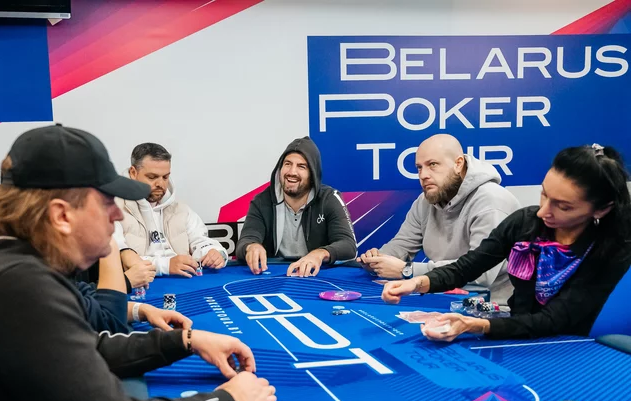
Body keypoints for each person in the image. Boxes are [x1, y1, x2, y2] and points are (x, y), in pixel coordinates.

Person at [0, 125, 276, 401]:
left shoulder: (8, 257)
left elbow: (83, 348)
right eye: (107, 202)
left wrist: (184, 341)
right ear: (61, 215)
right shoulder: (17, 285)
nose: (118, 214)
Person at [382, 144, 631, 341]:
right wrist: (416, 283)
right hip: (515, 335)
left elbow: (553, 320)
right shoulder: (525, 222)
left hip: (569, 348)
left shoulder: (613, 251)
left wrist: (477, 325)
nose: (543, 211)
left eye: (563, 206)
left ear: (601, 209)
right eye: (544, 194)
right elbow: (468, 266)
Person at [358, 134, 520, 304]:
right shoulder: (425, 201)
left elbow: (482, 274)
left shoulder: (492, 201)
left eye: (432, 165)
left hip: (495, 306)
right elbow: (403, 244)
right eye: (419, 167)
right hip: (444, 297)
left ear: (458, 164)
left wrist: (408, 271)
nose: (423, 175)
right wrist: (377, 260)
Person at [236, 136, 357, 277]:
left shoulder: (330, 199)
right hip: (275, 275)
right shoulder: (262, 201)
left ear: (312, 174)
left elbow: (349, 246)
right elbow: (245, 241)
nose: (292, 172)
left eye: (301, 166)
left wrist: (319, 254)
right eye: (287, 164)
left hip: (317, 275)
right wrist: (251, 247)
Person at [115, 143, 228, 278]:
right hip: (138, 285)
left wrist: (214, 252)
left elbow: (201, 241)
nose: (160, 184)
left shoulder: (181, 209)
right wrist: (166, 265)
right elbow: (117, 258)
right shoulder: (112, 208)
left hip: (183, 282)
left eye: (165, 177)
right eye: (152, 177)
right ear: (133, 173)